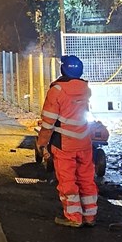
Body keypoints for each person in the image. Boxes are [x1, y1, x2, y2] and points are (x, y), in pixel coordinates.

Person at [36, 54, 98, 228]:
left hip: (64, 144)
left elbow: (48, 122)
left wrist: (41, 143)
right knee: (86, 178)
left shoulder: (57, 90)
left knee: (67, 180)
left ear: (63, 69)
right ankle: (90, 216)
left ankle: (74, 217)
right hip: (84, 142)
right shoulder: (86, 89)